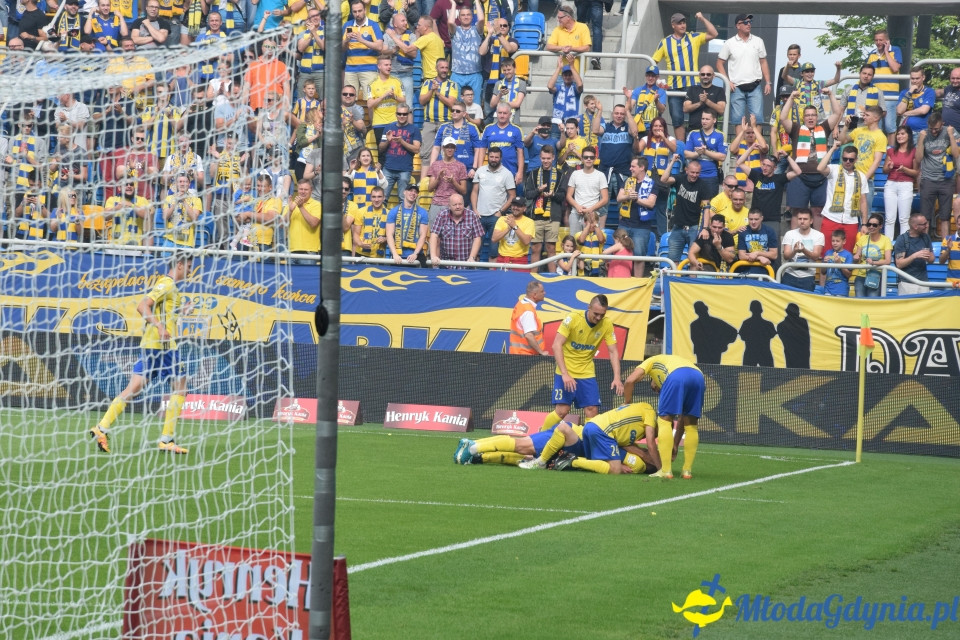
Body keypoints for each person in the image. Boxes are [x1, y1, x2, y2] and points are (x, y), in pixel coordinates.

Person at [89, 254, 193, 455]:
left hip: (150, 344)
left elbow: (164, 311)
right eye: (188, 266)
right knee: (180, 388)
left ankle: (102, 428)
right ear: (179, 265)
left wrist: (181, 310)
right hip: (163, 346)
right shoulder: (167, 284)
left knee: (134, 387)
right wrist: (160, 327)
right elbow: (142, 305)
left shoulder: (171, 288)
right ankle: (167, 439)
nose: (190, 271)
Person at [518, 294, 622, 469]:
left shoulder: (606, 324)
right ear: (589, 308)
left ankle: (589, 452)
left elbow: (613, 351)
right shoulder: (573, 318)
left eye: (602, 315)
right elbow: (556, 345)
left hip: (586, 373)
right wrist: (565, 374)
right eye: (596, 314)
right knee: (562, 411)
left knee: (592, 412)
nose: (598, 318)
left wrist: (617, 377)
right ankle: (538, 443)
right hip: (565, 370)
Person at [624, 354, 705, 479]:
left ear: (653, 379)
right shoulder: (670, 361)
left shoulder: (650, 361)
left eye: (655, 389)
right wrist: (675, 444)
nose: (658, 390)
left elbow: (629, 381)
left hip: (675, 376)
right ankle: (687, 471)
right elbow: (682, 419)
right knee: (691, 425)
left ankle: (666, 471)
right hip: (698, 377)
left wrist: (627, 404)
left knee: (664, 421)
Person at [519, 402, 660, 474]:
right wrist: (661, 468)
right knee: (615, 469)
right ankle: (571, 461)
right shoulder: (649, 414)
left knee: (593, 458)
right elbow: (650, 445)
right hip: (602, 431)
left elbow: (628, 445)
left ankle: (545, 460)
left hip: (593, 427)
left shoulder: (637, 417)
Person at [652, 11, 718, 141]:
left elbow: (714, 33)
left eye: (684, 22)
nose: (682, 25)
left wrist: (702, 18)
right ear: (673, 25)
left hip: (692, 85)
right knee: (677, 119)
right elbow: (654, 61)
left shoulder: (693, 37)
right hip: (673, 86)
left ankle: (698, 144)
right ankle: (681, 147)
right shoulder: (665, 42)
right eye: (679, 23)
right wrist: (657, 79)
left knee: (697, 118)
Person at [781, 92, 843, 227]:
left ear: (817, 117)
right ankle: (795, 239)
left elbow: (837, 113)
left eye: (813, 115)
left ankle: (818, 240)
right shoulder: (796, 129)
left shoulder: (824, 128)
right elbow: (783, 118)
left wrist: (831, 95)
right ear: (803, 118)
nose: (810, 117)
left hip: (820, 177)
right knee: (797, 212)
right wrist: (791, 98)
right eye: (807, 115)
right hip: (799, 176)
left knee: (818, 211)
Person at [716, 13, 770, 134]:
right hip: (736, 87)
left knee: (757, 119)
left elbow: (763, 62)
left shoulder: (758, 41)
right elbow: (719, 63)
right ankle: (739, 144)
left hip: (755, 85)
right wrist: (727, 81)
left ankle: (757, 144)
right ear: (738, 25)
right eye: (745, 22)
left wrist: (768, 82)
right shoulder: (729, 43)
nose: (748, 24)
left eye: (750, 22)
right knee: (738, 120)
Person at [819, 141, 869, 251]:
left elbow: (863, 201)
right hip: (831, 217)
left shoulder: (861, 176)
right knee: (826, 253)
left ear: (856, 160)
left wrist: (864, 224)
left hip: (851, 220)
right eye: (845, 159)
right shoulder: (834, 169)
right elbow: (820, 168)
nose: (847, 162)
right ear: (842, 158)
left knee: (847, 255)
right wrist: (832, 149)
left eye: (851, 159)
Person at [525, 145, 567, 271]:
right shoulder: (533, 174)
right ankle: (533, 276)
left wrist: (552, 195)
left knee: (551, 248)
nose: (546, 161)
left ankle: (552, 277)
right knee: (535, 248)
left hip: (553, 216)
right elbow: (528, 194)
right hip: (536, 217)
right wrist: (538, 190)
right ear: (540, 158)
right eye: (543, 158)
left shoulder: (560, 174)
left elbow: (563, 196)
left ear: (553, 158)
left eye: (548, 158)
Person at [740, 150, 801, 237]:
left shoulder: (779, 179)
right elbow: (740, 163)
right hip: (755, 219)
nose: (764, 168)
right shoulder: (757, 176)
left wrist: (786, 156)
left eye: (768, 166)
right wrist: (751, 148)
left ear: (774, 168)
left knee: (773, 244)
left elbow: (798, 171)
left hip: (772, 220)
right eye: (763, 164)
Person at [916, 116, 959, 240]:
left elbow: (956, 154)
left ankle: (945, 245)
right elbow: (918, 159)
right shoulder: (924, 134)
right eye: (931, 129)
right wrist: (921, 140)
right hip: (928, 180)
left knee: (945, 216)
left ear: (942, 124)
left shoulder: (950, 131)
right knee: (925, 216)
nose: (934, 131)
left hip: (946, 180)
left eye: (937, 129)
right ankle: (925, 244)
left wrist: (951, 136)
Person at [471, 146, 516, 261]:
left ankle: (493, 271)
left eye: (496, 157)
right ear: (488, 157)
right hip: (479, 215)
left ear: (501, 158)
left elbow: (512, 196)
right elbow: (474, 192)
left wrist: (500, 211)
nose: (494, 159)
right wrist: (475, 210)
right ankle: (473, 270)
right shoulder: (480, 171)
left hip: (496, 217)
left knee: (494, 250)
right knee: (475, 250)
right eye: (491, 156)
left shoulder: (507, 174)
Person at [615, 156, 657, 277]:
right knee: (620, 254)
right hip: (624, 224)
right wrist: (628, 196)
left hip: (641, 227)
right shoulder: (628, 181)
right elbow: (619, 198)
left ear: (642, 167)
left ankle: (637, 282)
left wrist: (636, 199)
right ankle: (622, 280)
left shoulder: (652, 183)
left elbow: (651, 203)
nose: (630, 169)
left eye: (633, 166)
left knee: (639, 256)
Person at [593, 103, 640, 207]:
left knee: (624, 206)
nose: (619, 116)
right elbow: (595, 130)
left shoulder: (628, 127)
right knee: (602, 206)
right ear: (612, 114)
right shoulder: (606, 126)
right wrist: (599, 111)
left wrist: (628, 112)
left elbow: (634, 132)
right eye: (616, 113)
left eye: (622, 114)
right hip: (605, 172)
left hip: (624, 173)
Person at [840, 105, 887, 205]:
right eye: (864, 114)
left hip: (865, 179)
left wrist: (864, 179)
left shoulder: (881, 136)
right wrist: (846, 127)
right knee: (847, 209)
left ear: (876, 118)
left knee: (864, 211)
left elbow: (877, 161)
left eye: (867, 115)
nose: (864, 117)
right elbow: (842, 141)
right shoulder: (859, 130)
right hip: (850, 176)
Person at [418, 57, 459, 173]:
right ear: (436, 68)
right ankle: (424, 181)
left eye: (446, 68)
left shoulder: (452, 85)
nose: (444, 70)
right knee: (426, 154)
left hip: (445, 123)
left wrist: (437, 93)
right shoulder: (427, 83)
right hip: (429, 122)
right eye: (442, 67)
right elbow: (421, 101)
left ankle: (444, 179)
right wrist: (431, 90)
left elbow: (451, 103)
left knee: (445, 152)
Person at [662, 156, 706, 264]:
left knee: (693, 260)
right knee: (673, 261)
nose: (694, 175)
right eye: (692, 172)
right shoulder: (680, 178)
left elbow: (706, 208)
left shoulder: (703, 185)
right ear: (687, 170)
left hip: (694, 227)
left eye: (697, 173)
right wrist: (672, 161)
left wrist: (704, 228)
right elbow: (663, 179)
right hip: (678, 226)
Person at [378, 102, 422, 204]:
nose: (402, 116)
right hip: (388, 168)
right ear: (396, 114)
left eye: (404, 114)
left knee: (404, 200)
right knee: (381, 199)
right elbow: (380, 148)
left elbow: (416, 149)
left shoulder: (414, 129)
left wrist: (402, 142)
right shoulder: (388, 127)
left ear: (408, 115)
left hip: (405, 169)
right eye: (399, 114)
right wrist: (388, 141)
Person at [342, 0, 385, 102]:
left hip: (369, 69)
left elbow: (380, 46)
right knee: (348, 101)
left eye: (360, 11)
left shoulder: (373, 25)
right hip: (350, 70)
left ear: (365, 10)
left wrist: (362, 40)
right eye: (355, 11)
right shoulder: (347, 25)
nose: (357, 14)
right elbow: (341, 49)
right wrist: (346, 40)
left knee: (370, 101)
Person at [883, 125, 919, 239]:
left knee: (904, 219)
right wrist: (889, 167)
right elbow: (884, 170)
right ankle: (888, 244)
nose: (899, 136)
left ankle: (904, 244)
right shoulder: (891, 151)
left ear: (909, 136)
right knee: (889, 219)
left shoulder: (914, 151)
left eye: (902, 134)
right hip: (891, 184)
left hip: (906, 185)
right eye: (898, 134)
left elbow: (916, 172)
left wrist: (904, 169)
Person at [429, 193, 485, 266]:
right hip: (445, 265)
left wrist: (472, 257)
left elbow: (477, 238)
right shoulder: (442, 215)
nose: (458, 207)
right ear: (449, 206)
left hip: (466, 265)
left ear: (463, 204)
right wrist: (433, 256)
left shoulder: (472, 216)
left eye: (460, 204)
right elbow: (434, 235)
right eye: (455, 205)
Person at [480, 103, 525, 189]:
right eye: (500, 113)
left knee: (511, 195)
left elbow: (520, 153)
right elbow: (482, 150)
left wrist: (520, 172)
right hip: (492, 170)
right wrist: (479, 169)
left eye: (505, 113)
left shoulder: (517, 130)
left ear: (510, 114)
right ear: (496, 113)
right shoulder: (488, 128)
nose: (502, 115)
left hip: (511, 170)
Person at [683, 108, 725, 199]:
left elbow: (722, 157)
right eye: (703, 119)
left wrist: (705, 152)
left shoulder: (720, 135)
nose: (704, 121)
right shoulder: (693, 133)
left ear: (714, 120)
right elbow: (686, 154)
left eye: (707, 119)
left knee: (709, 203)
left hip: (711, 176)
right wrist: (697, 153)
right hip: (694, 175)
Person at [565, 148, 609, 234]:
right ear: (582, 158)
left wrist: (590, 209)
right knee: (574, 241)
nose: (588, 159)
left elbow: (605, 199)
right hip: (575, 213)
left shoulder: (600, 175)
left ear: (595, 159)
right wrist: (577, 207)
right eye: (586, 157)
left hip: (593, 214)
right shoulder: (575, 174)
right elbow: (568, 196)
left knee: (590, 242)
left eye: (591, 157)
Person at [386, 182, 430, 266]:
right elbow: (389, 234)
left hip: (417, 255)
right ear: (404, 192)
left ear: (417, 195)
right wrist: (394, 254)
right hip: (398, 254)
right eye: (410, 190)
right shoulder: (393, 211)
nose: (413, 193)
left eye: (415, 192)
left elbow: (423, 235)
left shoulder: (423, 212)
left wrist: (415, 254)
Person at [780, 208, 825, 290]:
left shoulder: (819, 235)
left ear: (811, 221)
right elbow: (786, 256)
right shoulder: (789, 234)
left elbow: (816, 256)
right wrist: (794, 251)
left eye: (805, 219)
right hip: (790, 275)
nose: (802, 221)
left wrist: (804, 250)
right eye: (800, 219)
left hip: (808, 276)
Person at [427, 136, 468, 222]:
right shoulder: (435, 165)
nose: (449, 149)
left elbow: (464, 191)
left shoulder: (461, 166)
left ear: (455, 149)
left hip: (453, 204)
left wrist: (453, 182)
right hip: (436, 203)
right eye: (447, 147)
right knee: (434, 229)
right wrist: (438, 178)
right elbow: (430, 188)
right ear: (443, 148)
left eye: (452, 147)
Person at [893, 212, 935, 295]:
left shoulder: (926, 237)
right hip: (907, 283)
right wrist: (914, 256)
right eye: (924, 224)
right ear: (915, 226)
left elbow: (932, 259)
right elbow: (899, 264)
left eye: (926, 223)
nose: (927, 226)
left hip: (923, 282)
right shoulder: (902, 239)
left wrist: (928, 256)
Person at [852, 213, 892, 297]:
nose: (871, 227)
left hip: (875, 276)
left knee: (872, 302)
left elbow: (888, 261)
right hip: (861, 276)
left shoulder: (886, 240)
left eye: (874, 225)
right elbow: (858, 257)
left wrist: (873, 262)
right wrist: (856, 258)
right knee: (860, 302)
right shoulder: (863, 238)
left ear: (880, 226)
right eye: (869, 224)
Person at [545, 5, 591, 76]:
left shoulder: (583, 27)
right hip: (562, 74)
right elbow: (549, 46)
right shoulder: (557, 29)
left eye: (560, 17)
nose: (558, 20)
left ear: (568, 17)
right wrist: (562, 48)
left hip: (577, 74)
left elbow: (587, 48)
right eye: (558, 17)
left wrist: (571, 49)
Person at [286, 179, 323, 265]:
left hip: (309, 251)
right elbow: (282, 224)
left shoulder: (317, 205)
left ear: (311, 190)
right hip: (291, 250)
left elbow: (313, 223)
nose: (303, 192)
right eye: (301, 189)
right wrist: (290, 211)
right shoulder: (291, 204)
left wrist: (301, 207)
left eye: (306, 189)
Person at [508, 280, 549, 355]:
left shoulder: (521, 304)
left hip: (519, 354)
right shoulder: (528, 311)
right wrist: (541, 352)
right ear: (534, 295)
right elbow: (529, 335)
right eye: (542, 291)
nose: (544, 293)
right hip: (526, 355)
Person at [683, 65, 726, 135]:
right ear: (699, 76)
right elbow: (685, 109)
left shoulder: (719, 90)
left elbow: (721, 110)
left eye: (708, 74)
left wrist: (707, 101)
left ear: (713, 76)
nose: (705, 76)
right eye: (703, 74)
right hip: (693, 131)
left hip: (712, 132)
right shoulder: (692, 89)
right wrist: (700, 103)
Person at [492, 196, 535, 266]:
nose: (515, 208)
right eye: (514, 205)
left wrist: (514, 226)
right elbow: (494, 239)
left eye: (519, 206)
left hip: (520, 259)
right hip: (502, 258)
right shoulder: (502, 219)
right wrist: (508, 229)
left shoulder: (529, 222)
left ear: (524, 208)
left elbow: (526, 241)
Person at [624, 66, 667, 135]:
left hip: (655, 128)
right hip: (639, 127)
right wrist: (628, 99)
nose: (650, 78)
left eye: (653, 76)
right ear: (645, 76)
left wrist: (656, 101)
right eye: (648, 75)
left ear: (657, 77)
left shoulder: (661, 91)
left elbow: (662, 110)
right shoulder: (638, 90)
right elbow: (630, 108)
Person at [897, 68, 936, 141]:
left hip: (921, 132)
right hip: (905, 132)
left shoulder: (929, 91)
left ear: (923, 78)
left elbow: (923, 110)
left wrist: (906, 113)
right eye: (912, 78)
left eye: (917, 78)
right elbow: (899, 111)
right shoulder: (905, 92)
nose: (914, 81)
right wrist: (909, 93)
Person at [841, 65, 883, 131]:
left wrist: (869, 114)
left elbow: (883, 112)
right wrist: (835, 128)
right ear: (860, 73)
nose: (866, 76)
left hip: (869, 129)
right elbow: (840, 111)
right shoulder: (848, 90)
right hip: (850, 126)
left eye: (869, 74)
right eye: (864, 73)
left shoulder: (878, 92)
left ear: (872, 77)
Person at [547, 60, 583, 136]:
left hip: (571, 123)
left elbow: (580, 85)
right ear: (562, 76)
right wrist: (559, 68)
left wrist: (572, 67)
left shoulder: (575, 88)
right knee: (555, 142)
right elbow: (550, 86)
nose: (567, 77)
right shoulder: (559, 87)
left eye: (570, 75)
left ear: (573, 76)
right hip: (557, 122)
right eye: (565, 75)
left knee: (571, 143)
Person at [737, 209, 779, 275]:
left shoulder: (770, 231)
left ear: (761, 218)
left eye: (756, 219)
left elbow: (774, 255)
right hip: (748, 267)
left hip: (766, 267)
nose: (753, 222)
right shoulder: (743, 232)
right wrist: (759, 257)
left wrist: (757, 253)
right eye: (751, 219)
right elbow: (741, 255)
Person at [489, 57, 527, 126]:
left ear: (514, 69)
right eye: (504, 70)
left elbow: (517, 104)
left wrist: (500, 104)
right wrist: (500, 94)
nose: (506, 72)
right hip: (498, 120)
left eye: (509, 70)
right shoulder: (498, 83)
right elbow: (492, 104)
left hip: (514, 119)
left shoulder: (521, 83)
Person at [820, 229, 854, 296]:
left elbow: (848, 275)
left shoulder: (848, 255)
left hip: (842, 290)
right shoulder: (828, 252)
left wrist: (839, 264)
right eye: (833, 241)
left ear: (844, 241)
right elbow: (823, 272)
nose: (835, 243)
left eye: (837, 241)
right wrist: (825, 263)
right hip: (828, 289)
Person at [938, 206, 960, 284]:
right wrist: (948, 249)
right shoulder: (948, 239)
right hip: (951, 284)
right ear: (956, 225)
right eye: (959, 224)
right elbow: (941, 261)